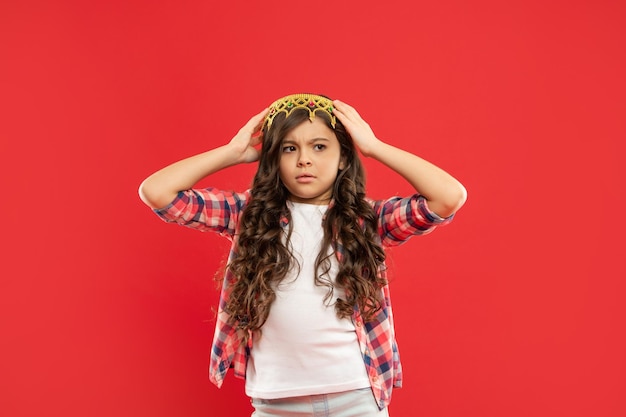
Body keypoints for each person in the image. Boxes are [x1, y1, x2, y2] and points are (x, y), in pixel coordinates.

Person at [138, 93, 467, 417]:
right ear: (274, 158)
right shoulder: (246, 215)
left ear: (343, 157)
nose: (304, 159)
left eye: (319, 146)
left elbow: (448, 197)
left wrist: (374, 148)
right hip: (275, 404)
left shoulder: (367, 220)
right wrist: (232, 152)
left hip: (355, 400)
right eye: (289, 148)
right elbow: (158, 193)